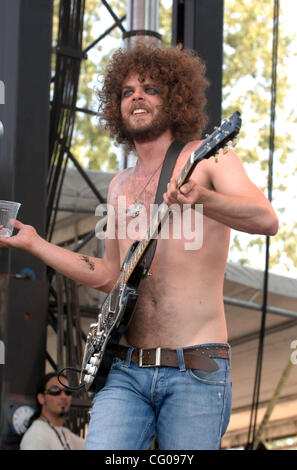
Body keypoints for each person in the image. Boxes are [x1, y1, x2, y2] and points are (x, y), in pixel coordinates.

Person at [0, 42, 279, 450]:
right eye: (127, 91)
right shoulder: (119, 185)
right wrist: (36, 244)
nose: (137, 97)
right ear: (117, 107)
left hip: (195, 369)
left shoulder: (208, 159)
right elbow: (110, 274)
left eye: (150, 88)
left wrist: (203, 198)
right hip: (126, 371)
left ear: (175, 99)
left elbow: (266, 219)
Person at [19, 372, 85, 450]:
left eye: (67, 391)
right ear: (41, 398)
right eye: (55, 390)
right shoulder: (36, 436)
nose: (63, 396)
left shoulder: (64, 432)